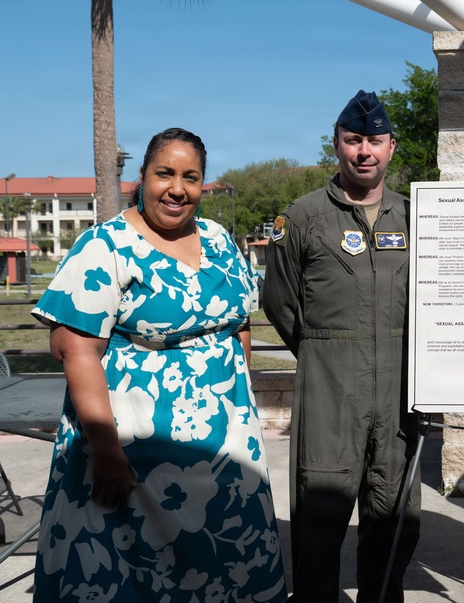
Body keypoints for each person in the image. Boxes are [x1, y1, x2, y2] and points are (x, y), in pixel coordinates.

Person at [30, 128, 286, 602]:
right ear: (143, 177)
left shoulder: (218, 239)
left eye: (191, 177)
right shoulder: (105, 245)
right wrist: (106, 451)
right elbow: (75, 349)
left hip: (225, 449)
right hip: (134, 450)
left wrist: (238, 407)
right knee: (136, 573)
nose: (177, 189)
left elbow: (240, 322)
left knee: (223, 567)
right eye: (164, 173)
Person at [263, 90, 419, 602]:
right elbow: (279, 302)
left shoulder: (417, 216)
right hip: (330, 391)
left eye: (375, 141)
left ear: (392, 147)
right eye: (353, 141)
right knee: (320, 518)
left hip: (399, 391)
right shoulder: (302, 217)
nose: (364, 152)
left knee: (395, 514)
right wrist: (325, 353)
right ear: (336, 145)